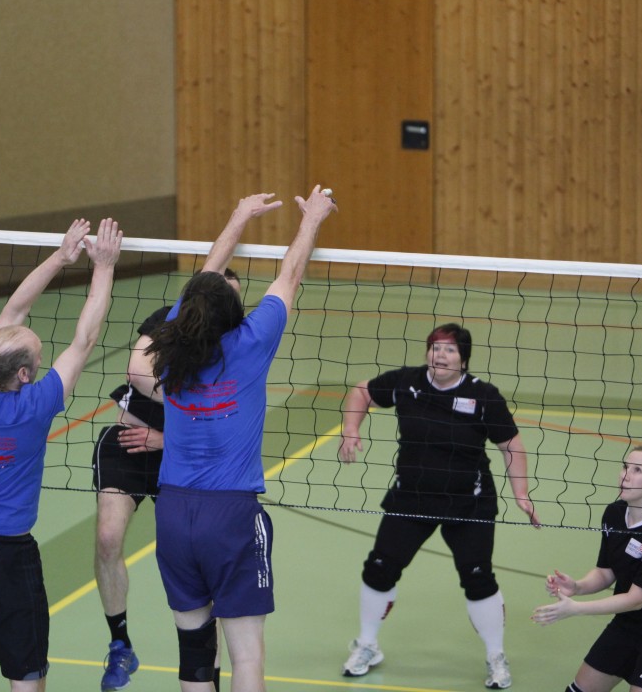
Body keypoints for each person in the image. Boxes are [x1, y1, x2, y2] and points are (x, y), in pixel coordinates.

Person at [147, 187, 336, 692]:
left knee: (194, 654)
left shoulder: (169, 344)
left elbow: (204, 277)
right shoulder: (251, 343)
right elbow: (289, 275)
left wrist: (238, 217)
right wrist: (312, 219)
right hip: (230, 514)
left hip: (173, 512)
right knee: (246, 655)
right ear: (233, 312)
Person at [0, 218, 121, 692]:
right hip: (5, 556)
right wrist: (104, 266)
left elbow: (15, 309)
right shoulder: (34, 407)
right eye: (38, 356)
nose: (42, 357)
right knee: (26, 675)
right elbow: (85, 338)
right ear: (24, 375)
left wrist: (62, 257)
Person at [337, 323, 539, 689]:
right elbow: (362, 392)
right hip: (411, 497)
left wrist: (521, 494)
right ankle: (367, 645)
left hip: (468, 502)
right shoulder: (407, 382)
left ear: (463, 359)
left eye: (449, 349)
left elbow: (511, 446)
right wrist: (351, 429)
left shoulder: (484, 396)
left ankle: (496, 656)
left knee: (478, 578)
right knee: (379, 569)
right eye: (435, 347)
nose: (440, 355)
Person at [93, 268, 240, 692]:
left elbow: (230, 420)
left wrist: (169, 437)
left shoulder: (238, 342)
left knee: (200, 568)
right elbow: (138, 372)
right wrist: (192, 402)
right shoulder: (168, 319)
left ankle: (208, 673)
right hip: (130, 443)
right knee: (107, 537)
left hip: (185, 458)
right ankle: (120, 643)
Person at [532, 446, 642, 692]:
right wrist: (577, 587)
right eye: (625, 466)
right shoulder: (614, 513)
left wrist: (576, 608)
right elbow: (606, 571)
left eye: (637, 470)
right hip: (629, 623)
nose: (625, 475)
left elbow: (636, 599)